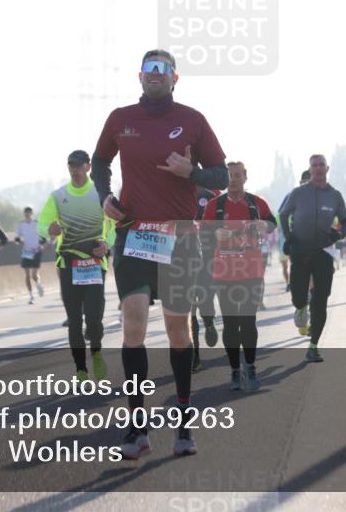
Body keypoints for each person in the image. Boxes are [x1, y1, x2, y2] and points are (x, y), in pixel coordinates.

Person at [91, 48, 228, 458]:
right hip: (134, 235)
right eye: (149, 68)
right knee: (132, 325)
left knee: (177, 331)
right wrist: (104, 197)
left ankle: (184, 426)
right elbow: (99, 162)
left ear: (174, 78)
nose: (155, 74)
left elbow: (220, 175)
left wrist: (193, 174)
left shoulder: (192, 120)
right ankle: (137, 428)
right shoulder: (120, 119)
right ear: (139, 76)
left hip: (179, 239)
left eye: (162, 69)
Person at [38, 150, 115, 382]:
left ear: (89, 167)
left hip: (94, 265)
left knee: (93, 319)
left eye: (79, 165)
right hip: (68, 265)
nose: (75, 169)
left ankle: (97, 353)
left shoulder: (101, 193)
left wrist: (107, 246)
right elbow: (42, 225)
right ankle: (81, 369)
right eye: (71, 165)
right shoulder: (58, 196)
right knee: (73, 320)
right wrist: (49, 230)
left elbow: (113, 227)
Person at [201, 162, 276, 391]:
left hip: (252, 272)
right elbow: (203, 234)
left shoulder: (257, 202)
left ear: (245, 177)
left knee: (248, 321)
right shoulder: (216, 205)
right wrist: (215, 232)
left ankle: (251, 367)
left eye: (237, 175)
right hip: (224, 273)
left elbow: (273, 223)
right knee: (232, 324)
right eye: (229, 176)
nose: (233, 179)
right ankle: (235, 370)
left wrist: (264, 224)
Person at [279, 155, 346, 362]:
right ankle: (301, 307)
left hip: (324, 252)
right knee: (298, 297)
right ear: (310, 169)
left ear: (327, 168)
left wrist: (338, 235)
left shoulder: (335, 196)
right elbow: (282, 214)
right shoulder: (298, 193)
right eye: (314, 165)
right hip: (300, 252)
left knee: (321, 301)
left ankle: (313, 346)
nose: (318, 169)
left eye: (322, 165)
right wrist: (289, 237)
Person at [190, 186, 219, 373]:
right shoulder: (170, 194)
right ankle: (195, 357)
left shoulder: (210, 197)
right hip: (182, 261)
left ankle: (209, 322)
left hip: (208, 260)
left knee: (205, 301)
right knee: (188, 309)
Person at [15, 206, 45, 303]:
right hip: (26, 252)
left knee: (34, 275)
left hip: (36, 251)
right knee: (27, 275)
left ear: (32, 214)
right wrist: (20, 242)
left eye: (29, 212)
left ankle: (39, 284)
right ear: (24, 214)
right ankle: (31, 295)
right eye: (26, 212)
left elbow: (44, 238)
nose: (27, 214)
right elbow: (17, 238)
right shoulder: (21, 225)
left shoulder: (37, 223)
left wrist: (40, 245)